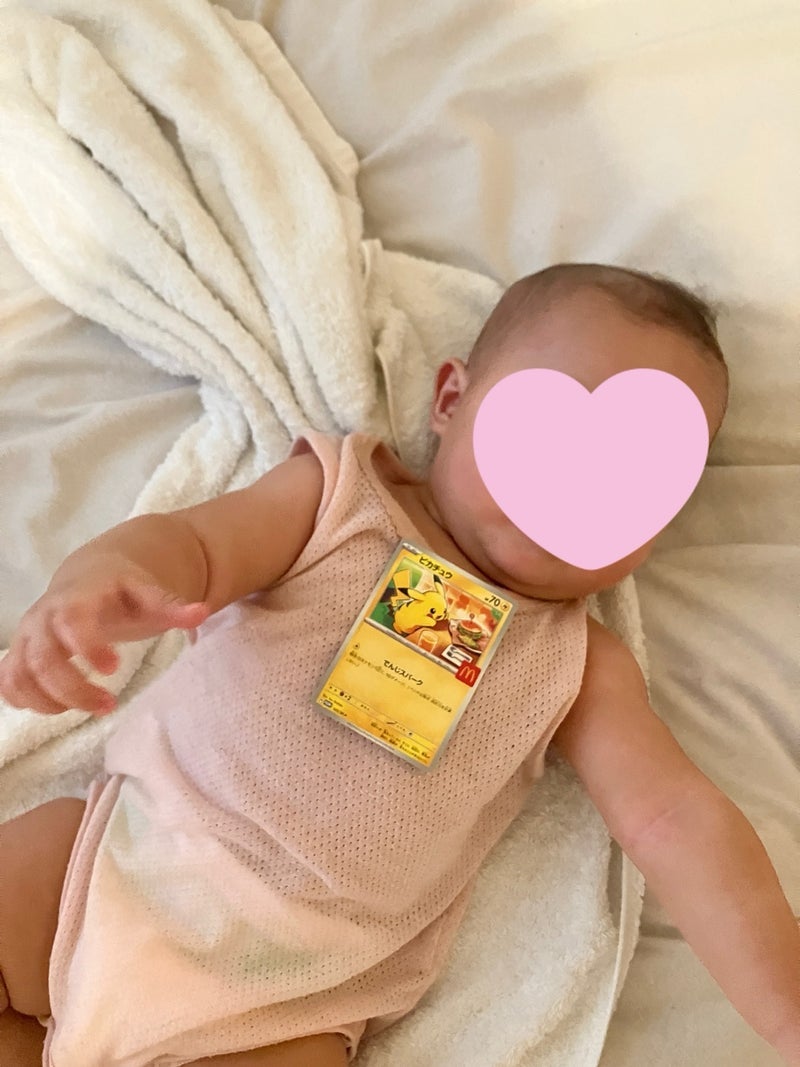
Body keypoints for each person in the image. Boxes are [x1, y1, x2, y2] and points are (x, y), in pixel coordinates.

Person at [0, 264, 797, 1067]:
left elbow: (674, 819)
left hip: (287, 996)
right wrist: (103, 580)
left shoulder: (581, 667)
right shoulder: (338, 502)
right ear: (451, 399)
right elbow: (197, 546)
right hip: (122, 855)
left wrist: (785, 1005)